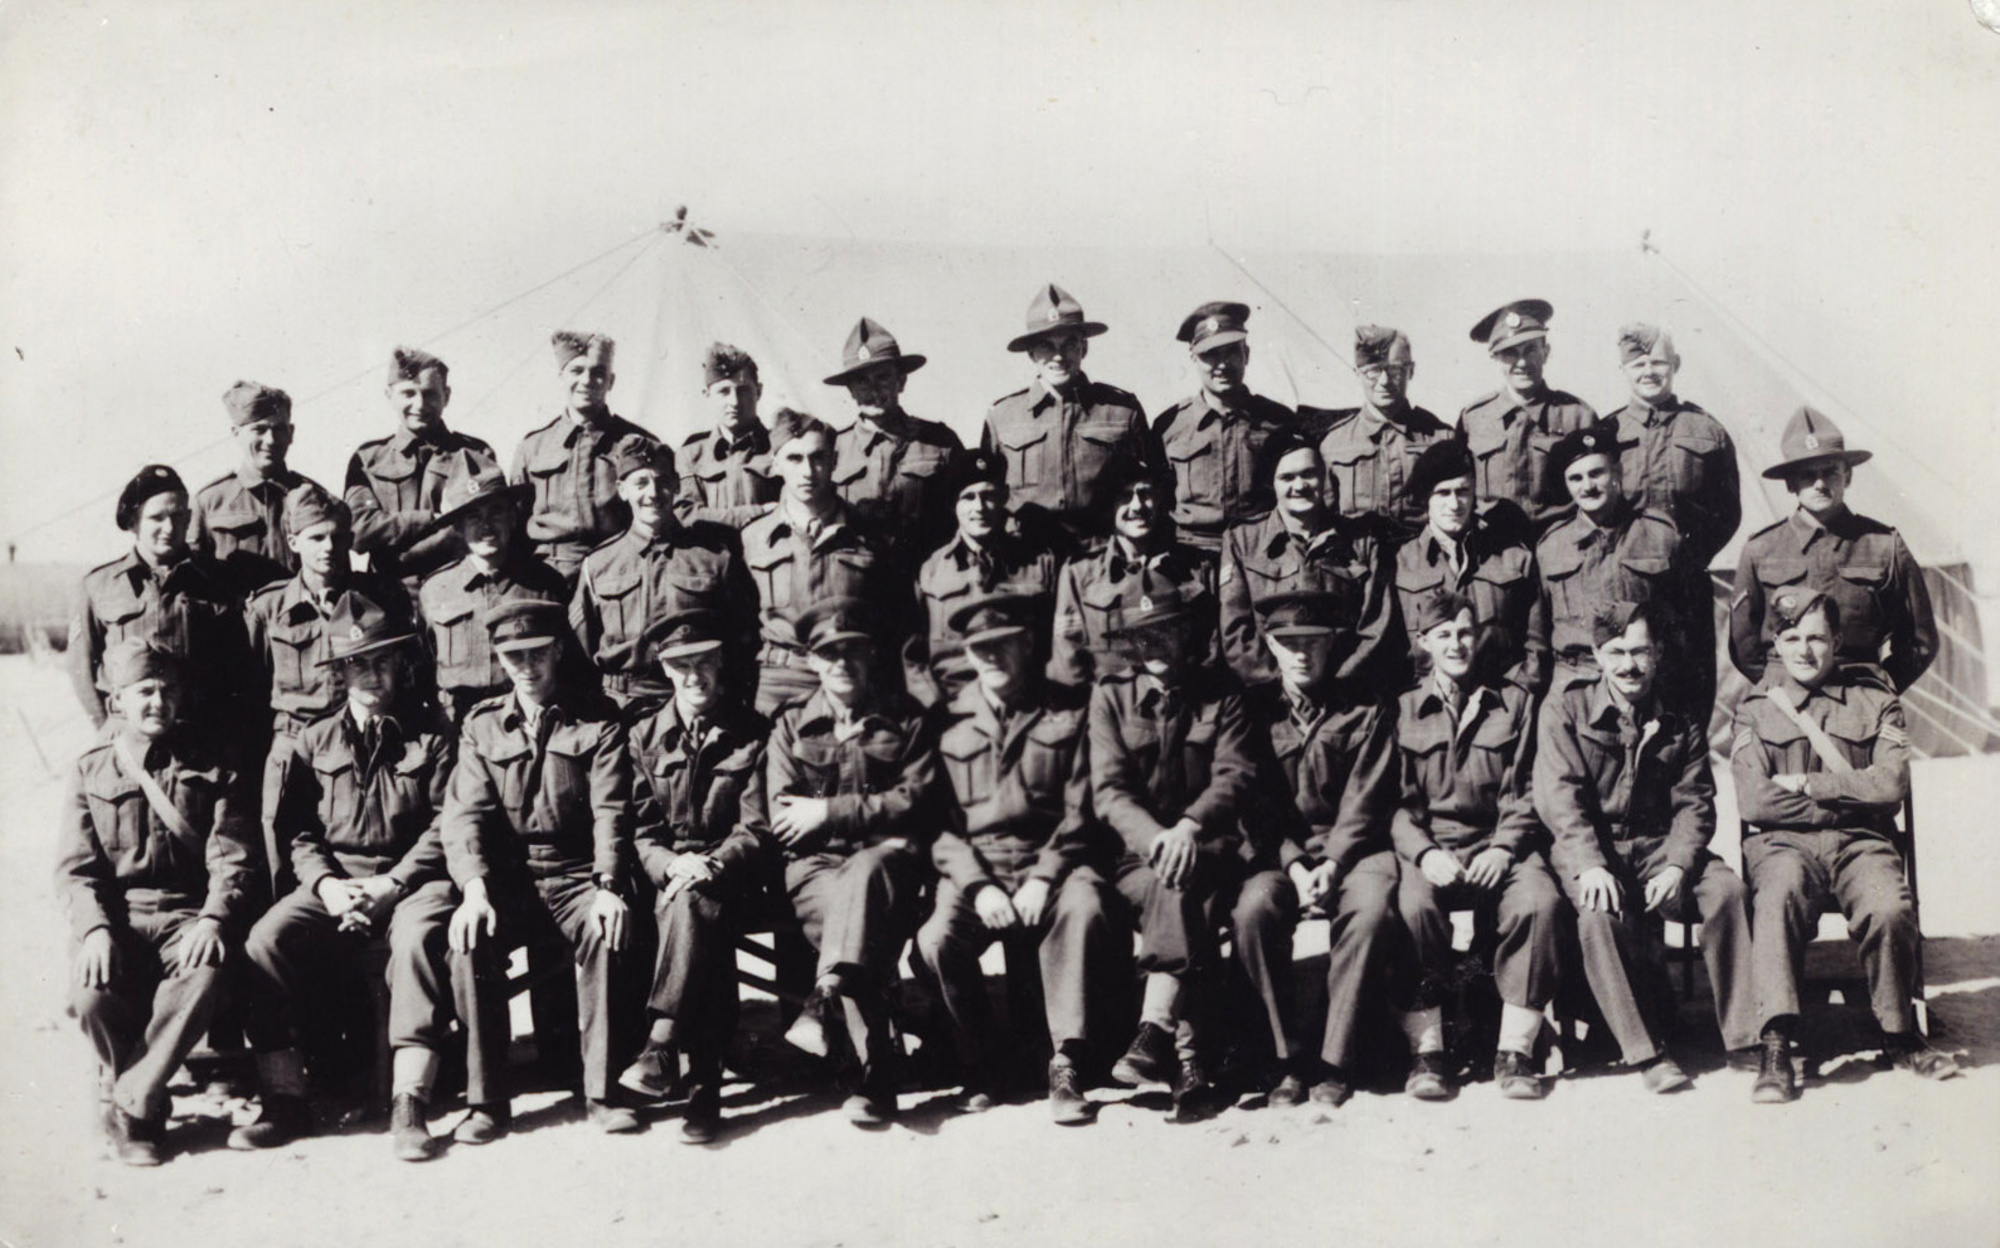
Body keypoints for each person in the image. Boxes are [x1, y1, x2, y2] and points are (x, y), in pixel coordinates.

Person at [227, 591, 463, 1160]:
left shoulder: (433, 735)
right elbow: (299, 833)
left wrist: (393, 884)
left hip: (414, 882)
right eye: (358, 664)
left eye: (382, 661)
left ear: (401, 664)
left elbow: (447, 823)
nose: (371, 675)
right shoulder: (314, 741)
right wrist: (328, 887)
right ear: (340, 672)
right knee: (265, 940)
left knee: (415, 939)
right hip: (339, 882)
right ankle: (286, 1099)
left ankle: (410, 1101)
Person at [1731, 590, 1958, 1102]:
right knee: (1777, 898)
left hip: (1863, 845)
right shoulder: (1754, 710)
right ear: (1776, 643)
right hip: (1783, 847)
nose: (1804, 650)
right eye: (1792, 638)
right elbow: (1755, 801)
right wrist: (1849, 798)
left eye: (1816, 638)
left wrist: (1811, 786)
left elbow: (1890, 786)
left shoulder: (1877, 701)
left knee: (1889, 907)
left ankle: (1900, 1034)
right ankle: (1776, 1043)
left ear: (1836, 641)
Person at [1532, 602, 1759, 1091]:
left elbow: (1695, 803)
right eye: (1616, 652)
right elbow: (1560, 799)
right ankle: (1647, 1051)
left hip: (1660, 846)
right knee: (1597, 915)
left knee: (1727, 892)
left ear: (1657, 654)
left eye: (1639, 652)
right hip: (1594, 847)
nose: (1628, 665)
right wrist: (1590, 865)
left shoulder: (1680, 714)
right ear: (1597, 655)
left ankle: (1745, 1039)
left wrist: (1678, 865)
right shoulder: (1565, 709)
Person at [440, 599, 641, 1138]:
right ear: (499, 659)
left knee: (606, 927)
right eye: (514, 656)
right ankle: (487, 1101)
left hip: (577, 874)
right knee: (468, 940)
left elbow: (612, 809)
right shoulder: (481, 725)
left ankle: (602, 1090)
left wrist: (608, 884)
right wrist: (474, 889)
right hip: (511, 880)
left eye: (536, 653)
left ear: (556, 651)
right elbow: (464, 815)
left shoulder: (597, 717)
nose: (526, 667)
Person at [913, 592, 1116, 1124]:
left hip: (1056, 859)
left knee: (1084, 908)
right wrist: (978, 885)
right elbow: (936, 824)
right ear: (966, 653)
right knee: (936, 940)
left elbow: (1083, 807)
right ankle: (984, 1061)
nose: (992, 656)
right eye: (980, 648)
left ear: (1028, 645)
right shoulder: (946, 719)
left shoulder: (1070, 708)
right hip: (978, 866)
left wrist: (1045, 877)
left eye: (1004, 644)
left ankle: (1066, 1063)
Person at [740, 598, 942, 1127]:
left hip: (888, 867)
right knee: (854, 918)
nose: (842, 664)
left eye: (852, 652)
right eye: (830, 654)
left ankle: (827, 1001)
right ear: (811, 660)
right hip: (817, 870)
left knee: (864, 883)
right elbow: (785, 817)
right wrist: (873, 817)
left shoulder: (906, 718)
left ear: (870, 655)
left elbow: (918, 799)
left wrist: (829, 812)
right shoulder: (791, 725)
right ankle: (875, 1077)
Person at [55, 639, 256, 1165]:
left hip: (187, 914)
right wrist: (95, 931)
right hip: (119, 918)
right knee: (90, 995)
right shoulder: (91, 769)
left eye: (168, 690)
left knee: (206, 973)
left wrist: (213, 919)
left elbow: (232, 858)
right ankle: (145, 1095)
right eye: (144, 691)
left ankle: (134, 1104)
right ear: (117, 700)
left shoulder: (214, 763)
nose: (158, 702)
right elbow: (76, 869)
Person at [1088, 585, 1258, 1119]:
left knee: (1183, 882)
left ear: (1189, 636)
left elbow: (1235, 775)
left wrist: (1189, 826)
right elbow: (1110, 790)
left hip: (1211, 849)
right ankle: (1187, 1058)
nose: (1155, 645)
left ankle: (1156, 1030)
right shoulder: (1110, 697)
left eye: (1166, 632)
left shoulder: (1223, 693)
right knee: (1176, 887)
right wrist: (1156, 838)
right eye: (1143, 637)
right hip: (1137, 858)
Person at [1390, 590, 1562, 1101]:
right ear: (1424, 642)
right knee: (1412, 906)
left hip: (1499, 844)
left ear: (1480, 636)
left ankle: (1515, 1051)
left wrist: (1504, 848)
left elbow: (1531, 787)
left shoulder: (1514, 702)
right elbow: (1392, 803)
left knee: (1538, 902)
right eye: (1443, 635)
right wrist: (1424, 853)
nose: (1456, 644)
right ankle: (1428, 1052)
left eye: (1465, 632)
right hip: (1434, 849)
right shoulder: (1402, 709)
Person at [616, 609, 774, 1144]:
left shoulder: (753, 732)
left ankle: (663, 1045)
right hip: (669, 878)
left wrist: (715, 863)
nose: (694, 676)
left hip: (737, 875)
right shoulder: (642, 736)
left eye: (704, 661)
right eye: (681, 665)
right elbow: (639, 830)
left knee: (695, 904)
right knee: (691, 908)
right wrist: (669, 864)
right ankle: (704, 1088)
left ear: (721, 662)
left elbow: (756, 826)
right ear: (664, 668)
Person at [1246, 591, 1401, 1108]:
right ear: (1270, 645)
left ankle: (1337, 1060)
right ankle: (1286, 1060)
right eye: (1288, 642)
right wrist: (1293, 864)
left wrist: (1333, 862)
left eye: (1313, 642)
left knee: (1371, 910)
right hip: (1280, 854)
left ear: (1333, 644)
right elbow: (1255, 804)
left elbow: (1367, 798)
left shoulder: (1367, 706)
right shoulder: (1253, 711)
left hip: (1354, 850)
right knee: (1252, 912)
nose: (1301, 653)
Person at [1730, 405, 1937, 695]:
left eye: (1830, 472)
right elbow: (1743, 643)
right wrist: (1778, 689)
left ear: (1847, 476)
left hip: (1859, 694)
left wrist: (1878, 691)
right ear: (1790, 483)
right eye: (1807, 475)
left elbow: (1919, 640)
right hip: (1784, 698)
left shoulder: (1883, 545)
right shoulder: (1761, 549)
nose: (1820, 484)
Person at [570, 435, 756, 715]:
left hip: (696, 702)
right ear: (622, 490)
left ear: (677, 485)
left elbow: (741, 641)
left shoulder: (714, 558)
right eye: (641, 483)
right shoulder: (598, 564)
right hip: (621, 707)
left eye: (663, 481)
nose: (653, 493)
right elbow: (580, 652)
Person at [740, 409, 904, 715]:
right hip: (781, 682)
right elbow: (740, 626)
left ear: (834, 461)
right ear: (775, 464)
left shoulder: (869, 535)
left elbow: (892, 620)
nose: (808, 471)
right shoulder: (754, 539)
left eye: (818, 458)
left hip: (851, 677)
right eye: (794, 459)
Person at [69, 465, 248, 734]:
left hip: (202, 737)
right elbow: (81, 669)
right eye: (157, 518)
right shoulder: (99, 586)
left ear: (189, 519)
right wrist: (108, 730)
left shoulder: (218, 583)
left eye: (178, 516)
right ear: (133, 522)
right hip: (130, 737)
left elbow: (240, 667)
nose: (169, 528)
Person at [1532, 420, 1699, 706]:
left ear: (1617, 473)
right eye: (1576, 478)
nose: (1588, 486)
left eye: (1596, 473)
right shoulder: (1551, 547)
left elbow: (1686, 627)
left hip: (1643, 686)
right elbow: (1537, 635)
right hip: (1575, 689)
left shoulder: (1660, 536)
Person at [981, 283, 1162, 542]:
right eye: (1046, 346)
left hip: (1101, 552)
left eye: (1069, 344)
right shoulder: (1002, 417)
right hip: (1026, 553)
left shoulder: (1121, 411)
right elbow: (986, 493)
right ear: (1031, 353)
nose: (1058, 356)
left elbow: (1152, 486)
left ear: (1084, 348)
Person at [1217, 434, 1394, 691]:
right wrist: (1280, 685)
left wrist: (1340, 684)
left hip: (1346, 693)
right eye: (1287, 478)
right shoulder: (1243, 540)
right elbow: (1236, 631)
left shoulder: (1361, 542)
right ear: (1271, 484)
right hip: (1270, 695)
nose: (1299, 486)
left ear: (1323, 476)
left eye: (1309, 474)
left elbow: (1376, 625)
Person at [246, 484, 410, 745]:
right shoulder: (269, 608)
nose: (329, 547)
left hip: (366, 735)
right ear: (294, 542)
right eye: (317, 538)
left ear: (351, 539)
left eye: (338, 537)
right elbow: (251, 692)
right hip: (296, 740)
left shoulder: (380, 597)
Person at [417, 451, 571, 724]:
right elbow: (425, 669)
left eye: (496, 512)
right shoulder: (435, 590)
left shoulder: (545, 583)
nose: (486, 526)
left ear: (512, 518)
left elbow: (567, 663)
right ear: (458, 527)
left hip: (525, 719)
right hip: (459, 723)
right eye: (473, 516)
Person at [1392, 440, 1546, 694]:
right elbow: (1391, 652)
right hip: (1424, 701)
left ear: (1474, 493)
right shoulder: (1399, 562)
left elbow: (1536, 644)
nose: (1454, 505)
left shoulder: (1515, 559)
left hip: (1501, 700)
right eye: (1443, 493)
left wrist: (1519, 695)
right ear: (1425, 497)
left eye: (1462, 491)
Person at [912, 448, 1062, 706]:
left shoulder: (1040, 563)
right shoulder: (930, 572)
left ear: (1004, 496)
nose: (979, 508)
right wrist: (934, 708)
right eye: (968, 498)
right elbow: (914, 657)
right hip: (955, 708)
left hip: (1029, 705)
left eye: (988, 496)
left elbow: (1060, 646)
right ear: (953, 504)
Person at [1050, 454, 1216, 688]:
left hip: (1186, 702)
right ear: (1110, 505)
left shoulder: (1196, 567)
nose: (1137, 506)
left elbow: (1212, 652)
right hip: (1110, 705)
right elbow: (1069, 662)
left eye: (1145, 493)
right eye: (1125, 496)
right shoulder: (1080, 574)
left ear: (1159, 499)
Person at [510, 330, 657, 586]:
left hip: (620, 575)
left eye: (598, 372)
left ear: (611, 381)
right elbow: (514, 526)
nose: (587, 380)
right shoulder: (532, 448)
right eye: (576, 371)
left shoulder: (639, 442)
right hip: (548, 577)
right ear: (561, 376)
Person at [1152, 302, 1300, 555]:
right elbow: (1158, 503)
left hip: (1261, 554)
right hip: (1191, 557)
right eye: (1210, 354)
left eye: (1232, 351)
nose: (1222, 364)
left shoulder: (1279, 421)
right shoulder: (1170, 426)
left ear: (1246, 354)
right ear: (1194, 358)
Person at [344, 346, 498, 589]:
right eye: (408, 393)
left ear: (447, 395)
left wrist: (402, 553)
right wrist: (431, 519)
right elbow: (358, 530)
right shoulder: (368, 459)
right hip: (388, 594)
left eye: (430, 394)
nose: (420, 404)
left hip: (458, 589)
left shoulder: (474, 454)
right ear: (389, 395)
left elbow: (474, 529)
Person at [1603, 324, 1742, 574]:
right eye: (1638, 365)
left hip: (1686, 577)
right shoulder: (1607, 431)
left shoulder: (1708, 431)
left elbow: (1728, 511)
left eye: (1658, 363)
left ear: (1675, 364)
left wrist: (1691, 559)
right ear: (1622, 369)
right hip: (1620, 574)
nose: (1649, 372)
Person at [825, 316, 963, 564]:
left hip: (926, 574)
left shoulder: (939, 442)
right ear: (851, 391)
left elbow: (965, 513)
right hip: (858, 577)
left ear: (901, 381)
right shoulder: (833, 448)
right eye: (862, 381)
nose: (873, 391)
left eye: (882, 377)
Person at [1457, 300, 1596, 531]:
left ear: (1546, 352)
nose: (1522, 362)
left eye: (1531, 349)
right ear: (1495, 358)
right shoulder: (1473, 418)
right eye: (1510, 353)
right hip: (1492, 543)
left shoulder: (1578, 416)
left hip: (1558, 542)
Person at [1311, 325, 1456, 535]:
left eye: (1395, 369)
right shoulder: (1333, 444)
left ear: (1411, 370)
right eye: (1373, 370)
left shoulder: (1441, 439)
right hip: (1356, 554)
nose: (1384, 381)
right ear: (1357, 373)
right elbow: (1322, 519)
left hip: (1424, 554)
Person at [190, 380, 324, 594]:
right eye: (259, 429)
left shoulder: (315, 496)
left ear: (291, 433)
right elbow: (193, 580)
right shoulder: (210, 502)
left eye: (279, 429)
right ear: (236, 433)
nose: (270, 440)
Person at [675, 343, 778, 529]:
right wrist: (759, 511)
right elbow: (686, 516)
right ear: (707, 395)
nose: (734, 402)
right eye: (724, 391)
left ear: (759, 391)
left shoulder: (780, 447)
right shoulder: (690, 456)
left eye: (743, 390)